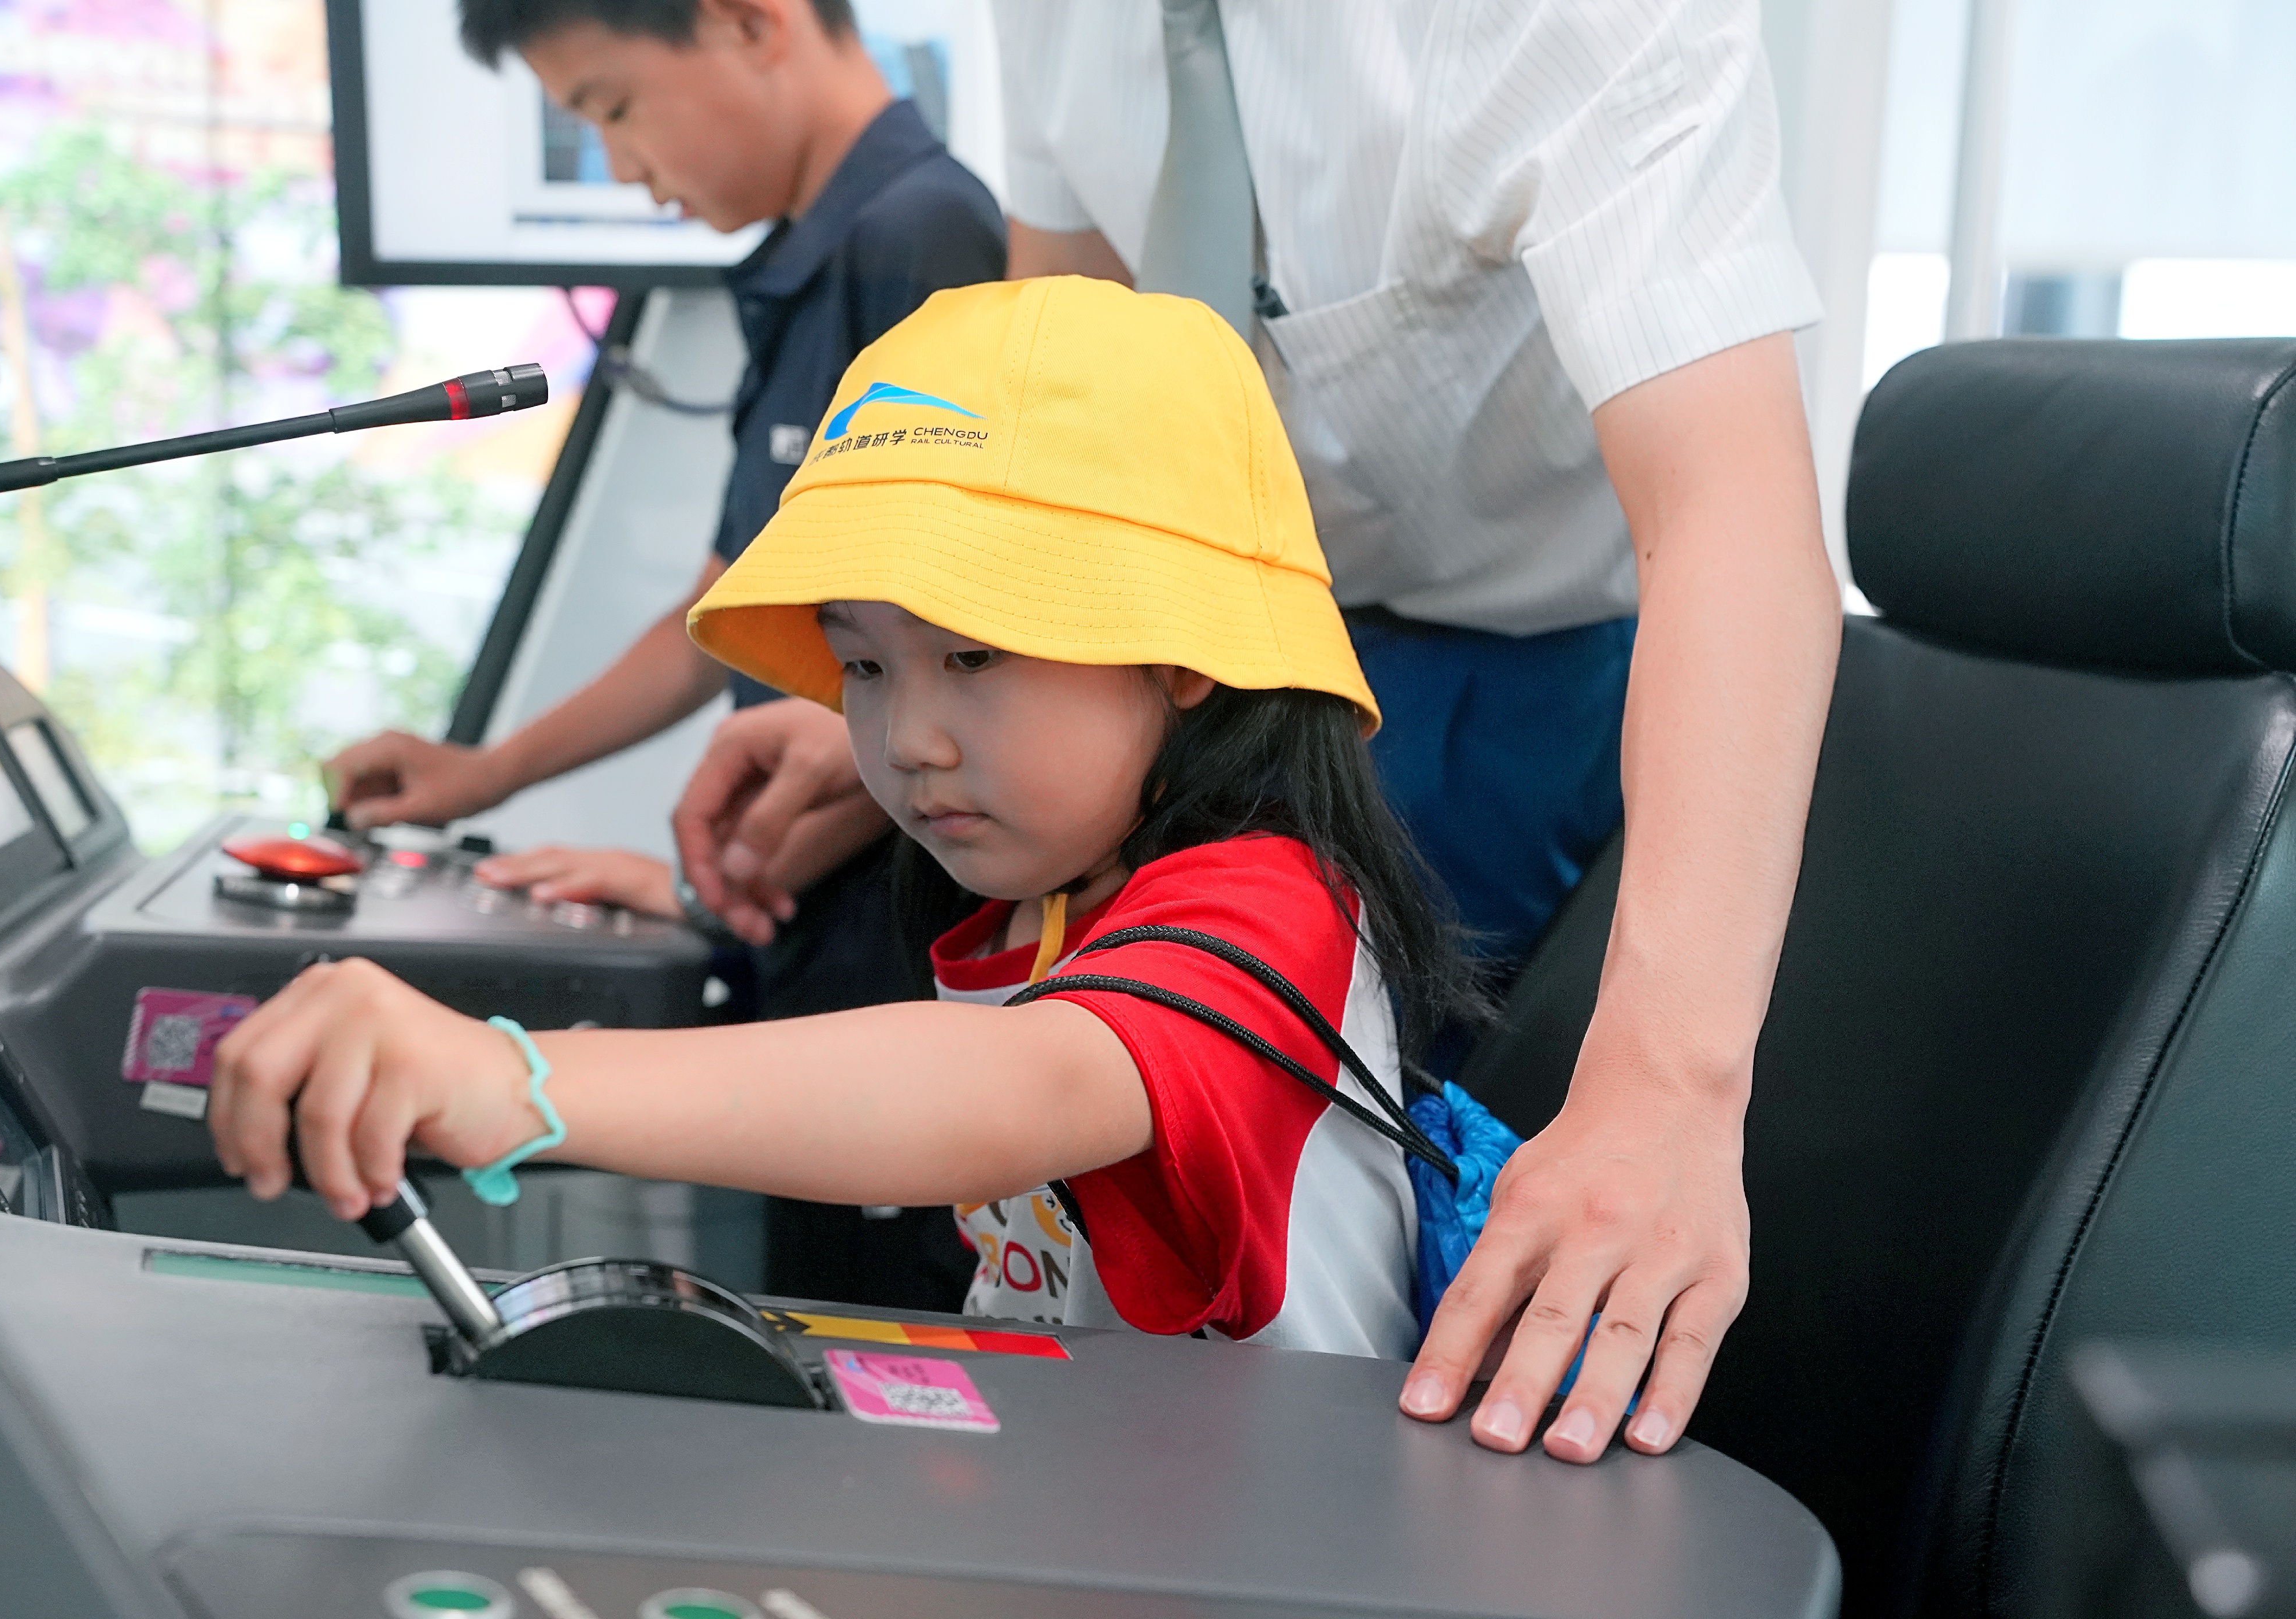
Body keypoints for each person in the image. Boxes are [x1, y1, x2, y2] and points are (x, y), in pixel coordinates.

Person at [670, 1, 1843, 1464]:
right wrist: (938, 688)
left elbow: (1731, 515)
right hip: (1174, 674)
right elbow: (1054, 420)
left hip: (1533, 670)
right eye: (865, 667)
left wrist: (1667, 1087)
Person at [210, 277, 1486, 1356]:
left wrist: (517, 1080)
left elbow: (1019, 1084)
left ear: (1182, 654)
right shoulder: (1042, 900)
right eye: (864, 665)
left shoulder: (1270, 911)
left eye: (973, 656)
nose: (904, 738)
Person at [324, 0, 1006, 1310]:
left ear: (749, 24)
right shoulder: (810, 260)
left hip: (899, 945)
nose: (626, 169)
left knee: (891, 1341)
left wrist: (716, 882)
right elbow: (727, 602)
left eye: (616, 109)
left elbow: (958, 652)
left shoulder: (921, 239)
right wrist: (488, 771)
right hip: (808, 926)